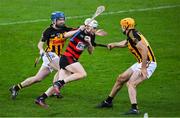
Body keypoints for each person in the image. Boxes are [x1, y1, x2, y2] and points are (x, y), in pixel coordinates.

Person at [9, 11, 83, 100]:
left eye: (63, 19)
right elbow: (40, 44)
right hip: (49, 54)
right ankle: (55, 89)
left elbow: (77, 30)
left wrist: (83, 27)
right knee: (63, 68)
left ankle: (15, 88)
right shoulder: (48, 31)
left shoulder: (65, 28)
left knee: (38, 78)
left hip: (57, 56)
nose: (62, 21)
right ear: (54, 21)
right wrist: (41, 49)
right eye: (60, 20)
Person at [35, 18, 101, 108]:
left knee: (60, 84)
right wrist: (79, 30)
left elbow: (91, 51)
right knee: (82, 74)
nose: (95, 29)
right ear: (88, 27)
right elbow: (65, 35)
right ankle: (59, 83)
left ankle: (41, 98)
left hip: (73, 59)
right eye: (94, 27)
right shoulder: (79, 31)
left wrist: (89, 42)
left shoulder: (92, 35)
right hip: (67, 58)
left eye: (96, 28)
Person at [97, 18, 157, 115]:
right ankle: (108, 102)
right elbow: (126, 43)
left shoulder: (132, 35)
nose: (121, 28)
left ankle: (134, 109)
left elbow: (144, 50)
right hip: (141, 61)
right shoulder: (131, 34)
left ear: (125, 26)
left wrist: (143, 68)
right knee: (121, 78)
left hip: (147, 62)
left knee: (131, 83)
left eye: (122, 26)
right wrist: (114, 44)